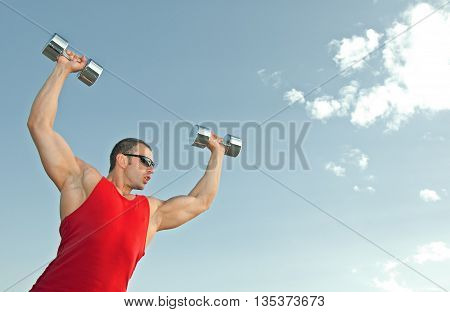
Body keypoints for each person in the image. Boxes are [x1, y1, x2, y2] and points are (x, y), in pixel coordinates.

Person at [27, 49, 225, 291]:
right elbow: (40, 126)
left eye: (153, 165)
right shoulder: (85, 183)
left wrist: (218, 152)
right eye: (146, 162)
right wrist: (62, 69)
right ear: (122, 160)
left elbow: (200, 201)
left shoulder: (151, 213)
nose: (151, 170)